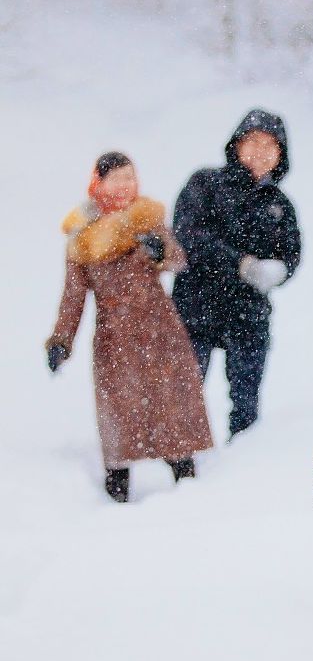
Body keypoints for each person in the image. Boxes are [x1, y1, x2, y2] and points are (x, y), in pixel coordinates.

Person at [45, 152, 213, 502]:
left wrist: (159, 252)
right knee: (121, 415)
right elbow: (73, 297)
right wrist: (61, 340)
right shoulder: (83, 238)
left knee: (172, 407)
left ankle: (190, 488)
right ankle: (116, 493)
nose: (125, 185)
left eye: (130, 177)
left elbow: (178, 259)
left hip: (160, 330)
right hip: (114, 336)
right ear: (99, 183)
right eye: (117, 178)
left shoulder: (147, 219)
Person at [171, 108, 302, 439]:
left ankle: (239, 471)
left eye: (270, 145)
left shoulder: (280, 205)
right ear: (237, 145)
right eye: (253, 141)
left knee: (246, 406)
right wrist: (239, 264)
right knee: (183, 397)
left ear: (280, 156)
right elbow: (188, 235)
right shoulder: (205, 183)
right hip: (195, 306)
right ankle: (181, 469)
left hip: (248, 316)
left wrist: (279, 271)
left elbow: (291, 253)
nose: (260, 151)